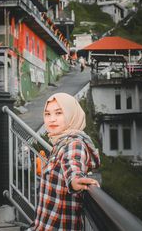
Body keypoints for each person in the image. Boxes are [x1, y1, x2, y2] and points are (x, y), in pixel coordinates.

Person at [29, 92, 100, 231]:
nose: (52, 119)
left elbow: (72, 163)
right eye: (47, 114)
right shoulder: (60, 143)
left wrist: (76, 180)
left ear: (71, 115)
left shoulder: (73, 143)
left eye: (59, 113)